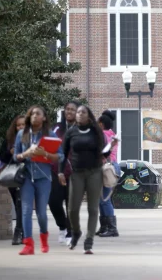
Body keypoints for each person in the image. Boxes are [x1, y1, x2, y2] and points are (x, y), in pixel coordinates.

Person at [14, 106, 64, 255]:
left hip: (44, 178)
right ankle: (28, 244)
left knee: (41, 213)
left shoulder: (50, 135)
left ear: (44, 118)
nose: (34, 116)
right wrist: (25, 154)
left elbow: (60, 157)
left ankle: (44, 238)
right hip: (27, 177)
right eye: (32, 114)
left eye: (38, 114)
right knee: (26, 210)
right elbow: (15, 156)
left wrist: (46, 154)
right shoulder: (21, 134)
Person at [59, 105, 109, 254]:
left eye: (83, 112)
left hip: (94, 172)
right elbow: (63, 153)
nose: (79, 114)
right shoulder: (71, 132)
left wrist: (110, 148)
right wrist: (60, 172)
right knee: (72, 209)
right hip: (76, 174)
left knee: (92, 208)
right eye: (78, 112)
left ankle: (89, 241)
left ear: (89, 115)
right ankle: (76, 232)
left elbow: (104, 153)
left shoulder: (96, 132)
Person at [50, 100, 80, 245]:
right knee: (54, 202)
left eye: (73, 110)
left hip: (75, 173)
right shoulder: (56, 128)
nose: (69, 112)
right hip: (57, 171)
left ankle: (70, 232)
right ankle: (62, 226)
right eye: (67, 109)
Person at [0, 115, 26, 245]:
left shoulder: (31, 139)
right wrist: (10, 152)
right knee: (17, 203)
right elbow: (1, 157)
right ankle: (24, 233)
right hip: (12, 175)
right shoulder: (9, 140)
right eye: (18, 125)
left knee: (22, 204)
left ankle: (18, 233)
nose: (20, 127)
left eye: (23, 124)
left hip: (26, 174)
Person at [97, 110, 120, 237]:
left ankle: (112, 228)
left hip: (105, 168)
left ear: (101, 124)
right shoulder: (112, 134)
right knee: (102, 199)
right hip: (112, 167)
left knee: (104, 199)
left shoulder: (103, 135)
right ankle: (104, 226)